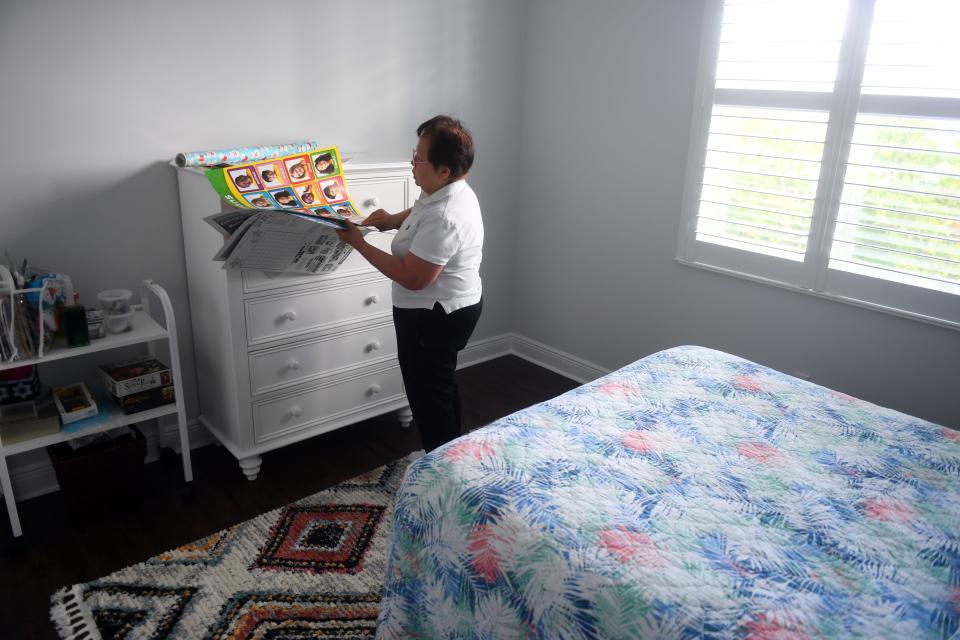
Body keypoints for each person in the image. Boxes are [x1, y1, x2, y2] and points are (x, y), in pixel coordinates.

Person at [336, 115, 483, 452]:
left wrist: (359, 243)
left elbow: (412, 277)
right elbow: (423, 208)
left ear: (443, 170)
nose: (413, 164)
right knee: (441, 386)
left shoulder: (446, 215)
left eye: (419, 158)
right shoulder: (452, 189)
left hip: (433, 316)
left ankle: (440, 466)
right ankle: (454, 453)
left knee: (427, 397)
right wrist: (392, 220)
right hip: (454, 306)